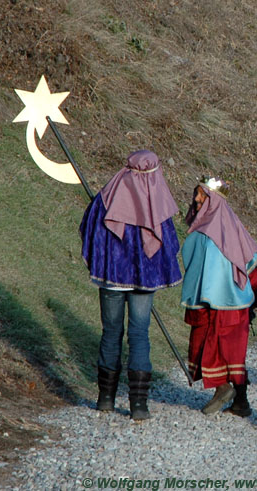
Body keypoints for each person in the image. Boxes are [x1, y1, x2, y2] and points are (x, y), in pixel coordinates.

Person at [79, 149, 182, 421]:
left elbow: (88, 228)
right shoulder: (158, 200)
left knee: (111, 332)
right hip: (144, 282)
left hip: (111, 278)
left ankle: (105, 399)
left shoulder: (108, 195)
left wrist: (98, 260)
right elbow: (170, 243)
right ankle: (139, 405)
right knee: (139, 334)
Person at [181, 176, 257, 416]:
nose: (196, 200)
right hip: (235, 304)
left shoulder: (207, 232)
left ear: (213, 200)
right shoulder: (235, 226)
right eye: (196, 194)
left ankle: (224, 389)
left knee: (215, 348)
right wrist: (253, 300)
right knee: (231, 352)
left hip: (216, 305)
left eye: (201, 195)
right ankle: (240, 402)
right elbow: (251, 265)